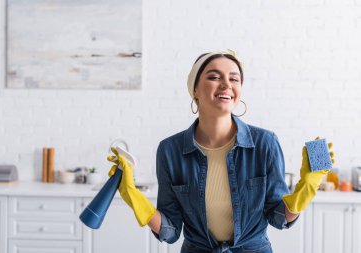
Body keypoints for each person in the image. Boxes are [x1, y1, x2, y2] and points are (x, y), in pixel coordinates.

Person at [107, 49, 335, 253]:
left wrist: (306, 188)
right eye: (214, 77)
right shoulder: (170, 150)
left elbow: (277, 218)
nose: (226, 84)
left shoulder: (265, 143)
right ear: (195, 89)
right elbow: (170, 230)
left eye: (234, 79)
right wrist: (133, 196)